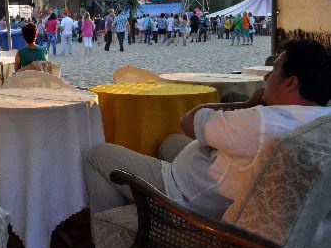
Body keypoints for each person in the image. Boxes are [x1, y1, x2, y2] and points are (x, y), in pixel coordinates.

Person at [83, 39, 331, 227]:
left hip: (182, 196)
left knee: (96, 155)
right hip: (221, 177)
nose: (267, 76)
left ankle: (103, 236)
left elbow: (189, 120)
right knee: (170, 142)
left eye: (274, 70)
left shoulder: (262, 121)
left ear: (290, 83)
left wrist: (247, 105)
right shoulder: (321, 119)